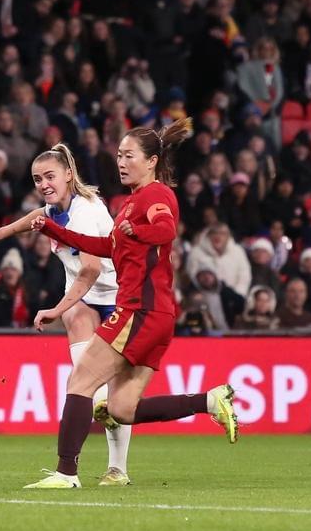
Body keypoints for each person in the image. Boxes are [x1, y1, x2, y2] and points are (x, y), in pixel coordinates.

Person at [24, 121, 239, 489]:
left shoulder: (156, 196)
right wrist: (51, 229)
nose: (121, 162)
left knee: (81, 380)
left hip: (140, 310)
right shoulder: (130, 203)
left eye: (129, 156)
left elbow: (166, 229)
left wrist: (138, 232)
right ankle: (209, 401)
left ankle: (66, 473)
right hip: (157, 314)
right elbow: (106, 247)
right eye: (119, 156)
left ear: (151, 161)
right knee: (122, 409)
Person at [0, 143, 133, 485]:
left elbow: (90, 270)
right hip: (85, 297)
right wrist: (0, 233)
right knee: (78, 327)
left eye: (50, 176)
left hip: (119, 296)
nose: (44, 184)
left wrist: (56, 309)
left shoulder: (85, 212)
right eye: (37, 179)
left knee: (116, 387)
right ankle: (96, 398)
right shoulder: (56, 207)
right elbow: (38, 217)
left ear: (69, 175)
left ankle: (117, 468)